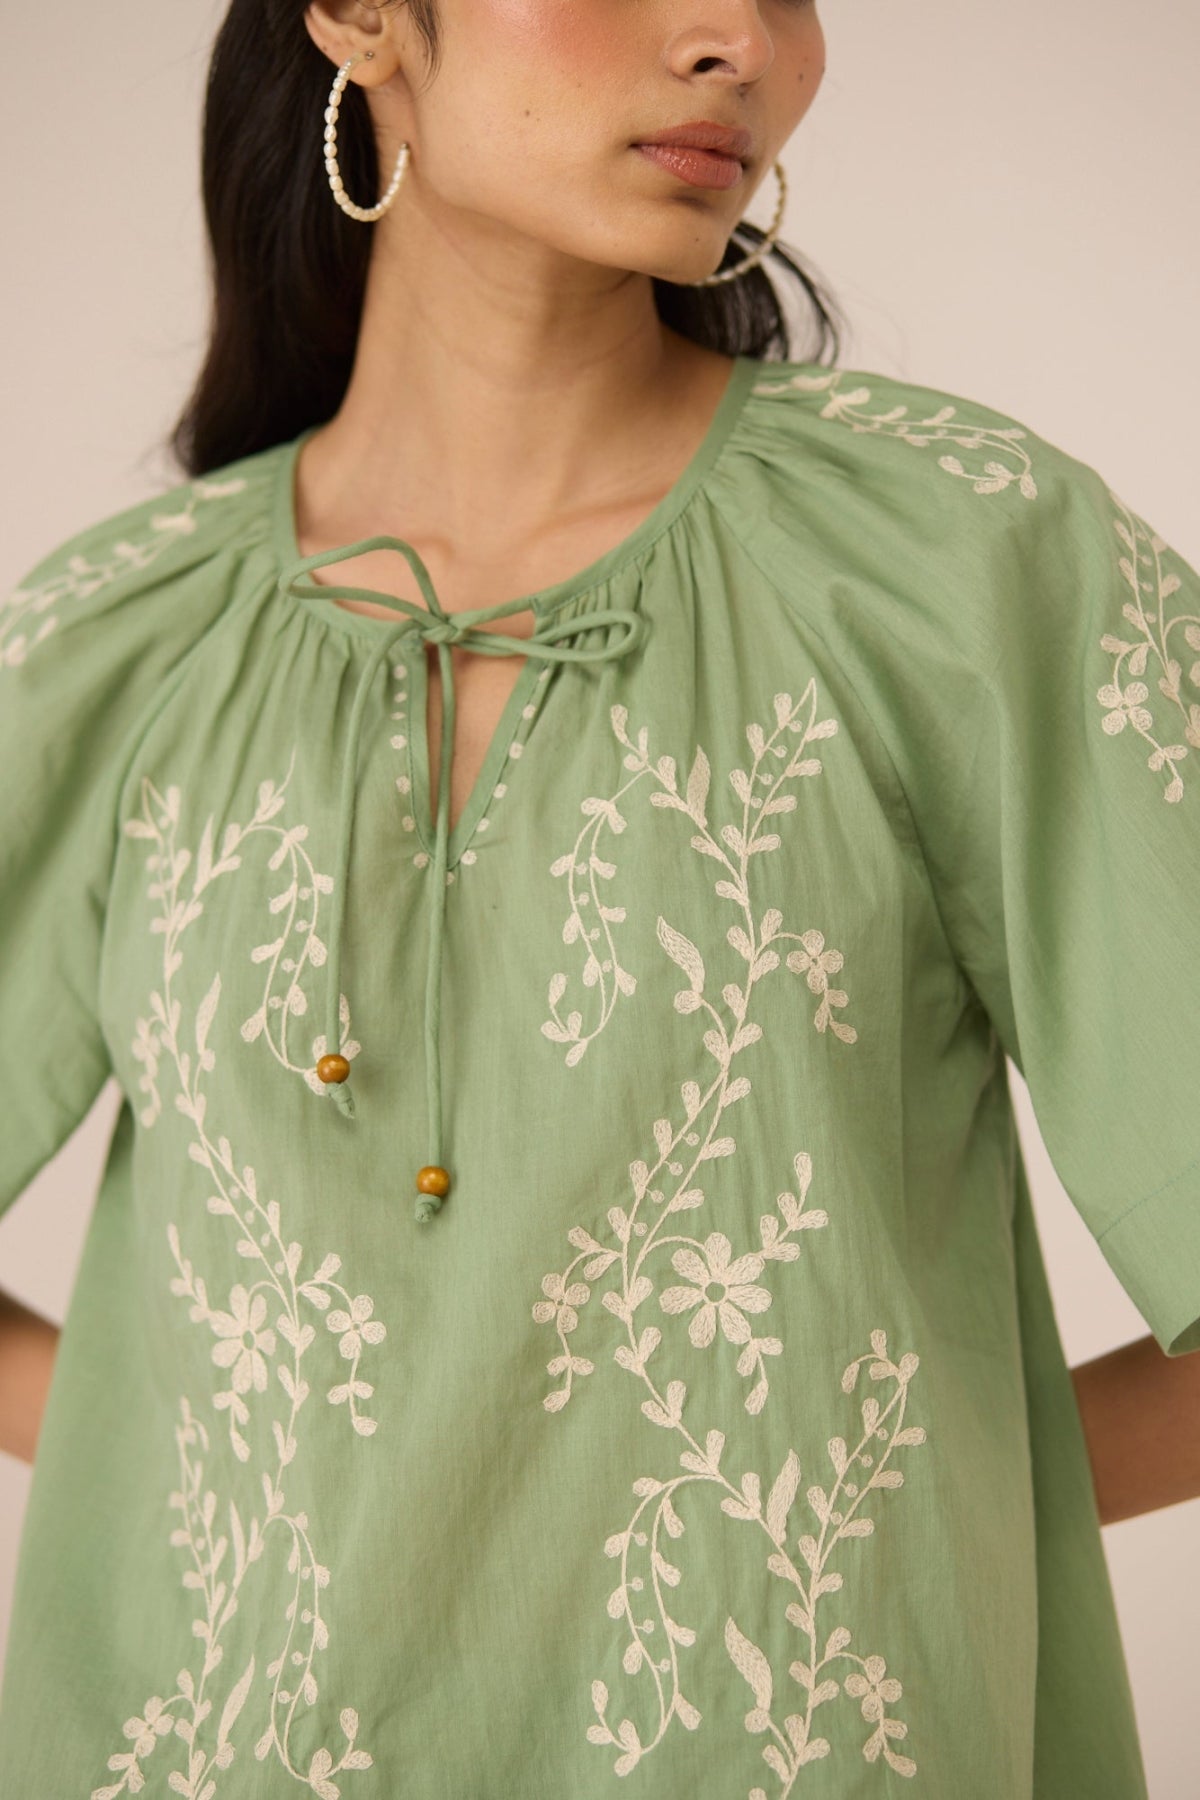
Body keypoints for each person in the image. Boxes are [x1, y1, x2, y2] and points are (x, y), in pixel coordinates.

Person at [1, 1, 1197, 1794]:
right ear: (354, 16)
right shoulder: (114, 642)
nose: (737, 38)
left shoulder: (965, 566)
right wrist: (169, 1444)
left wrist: (916, 1500)